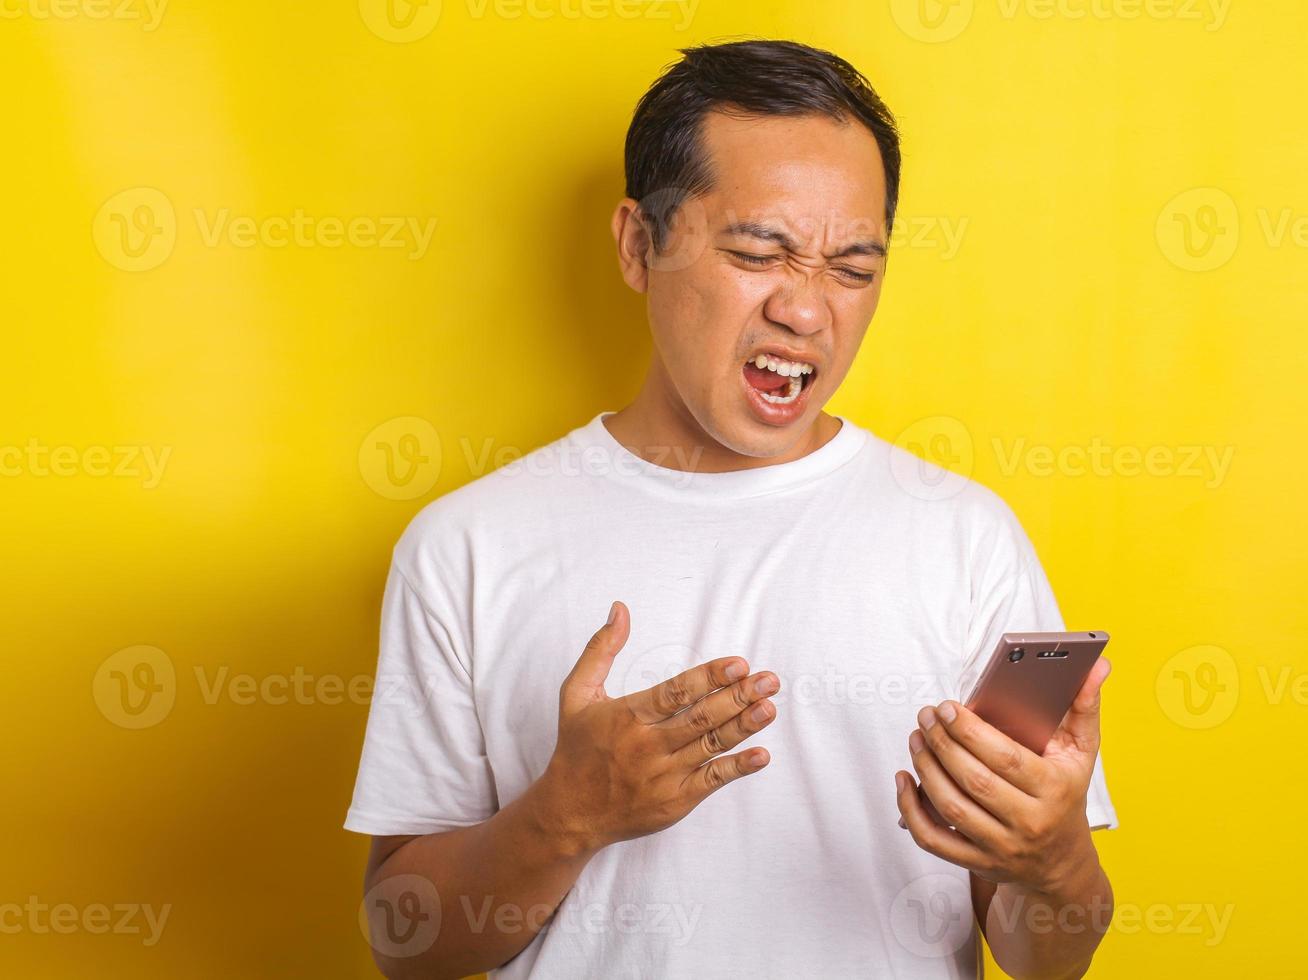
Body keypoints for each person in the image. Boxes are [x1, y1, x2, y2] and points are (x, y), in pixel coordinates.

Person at [345, 38, 1118, 980]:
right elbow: (404, 941)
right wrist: (564, 816)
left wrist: (1054, 863)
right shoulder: (468, 547)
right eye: (760, 251)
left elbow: (1048, 958)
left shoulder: (964, 540)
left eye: (853, 267)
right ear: (639, 244)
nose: (806, 311)